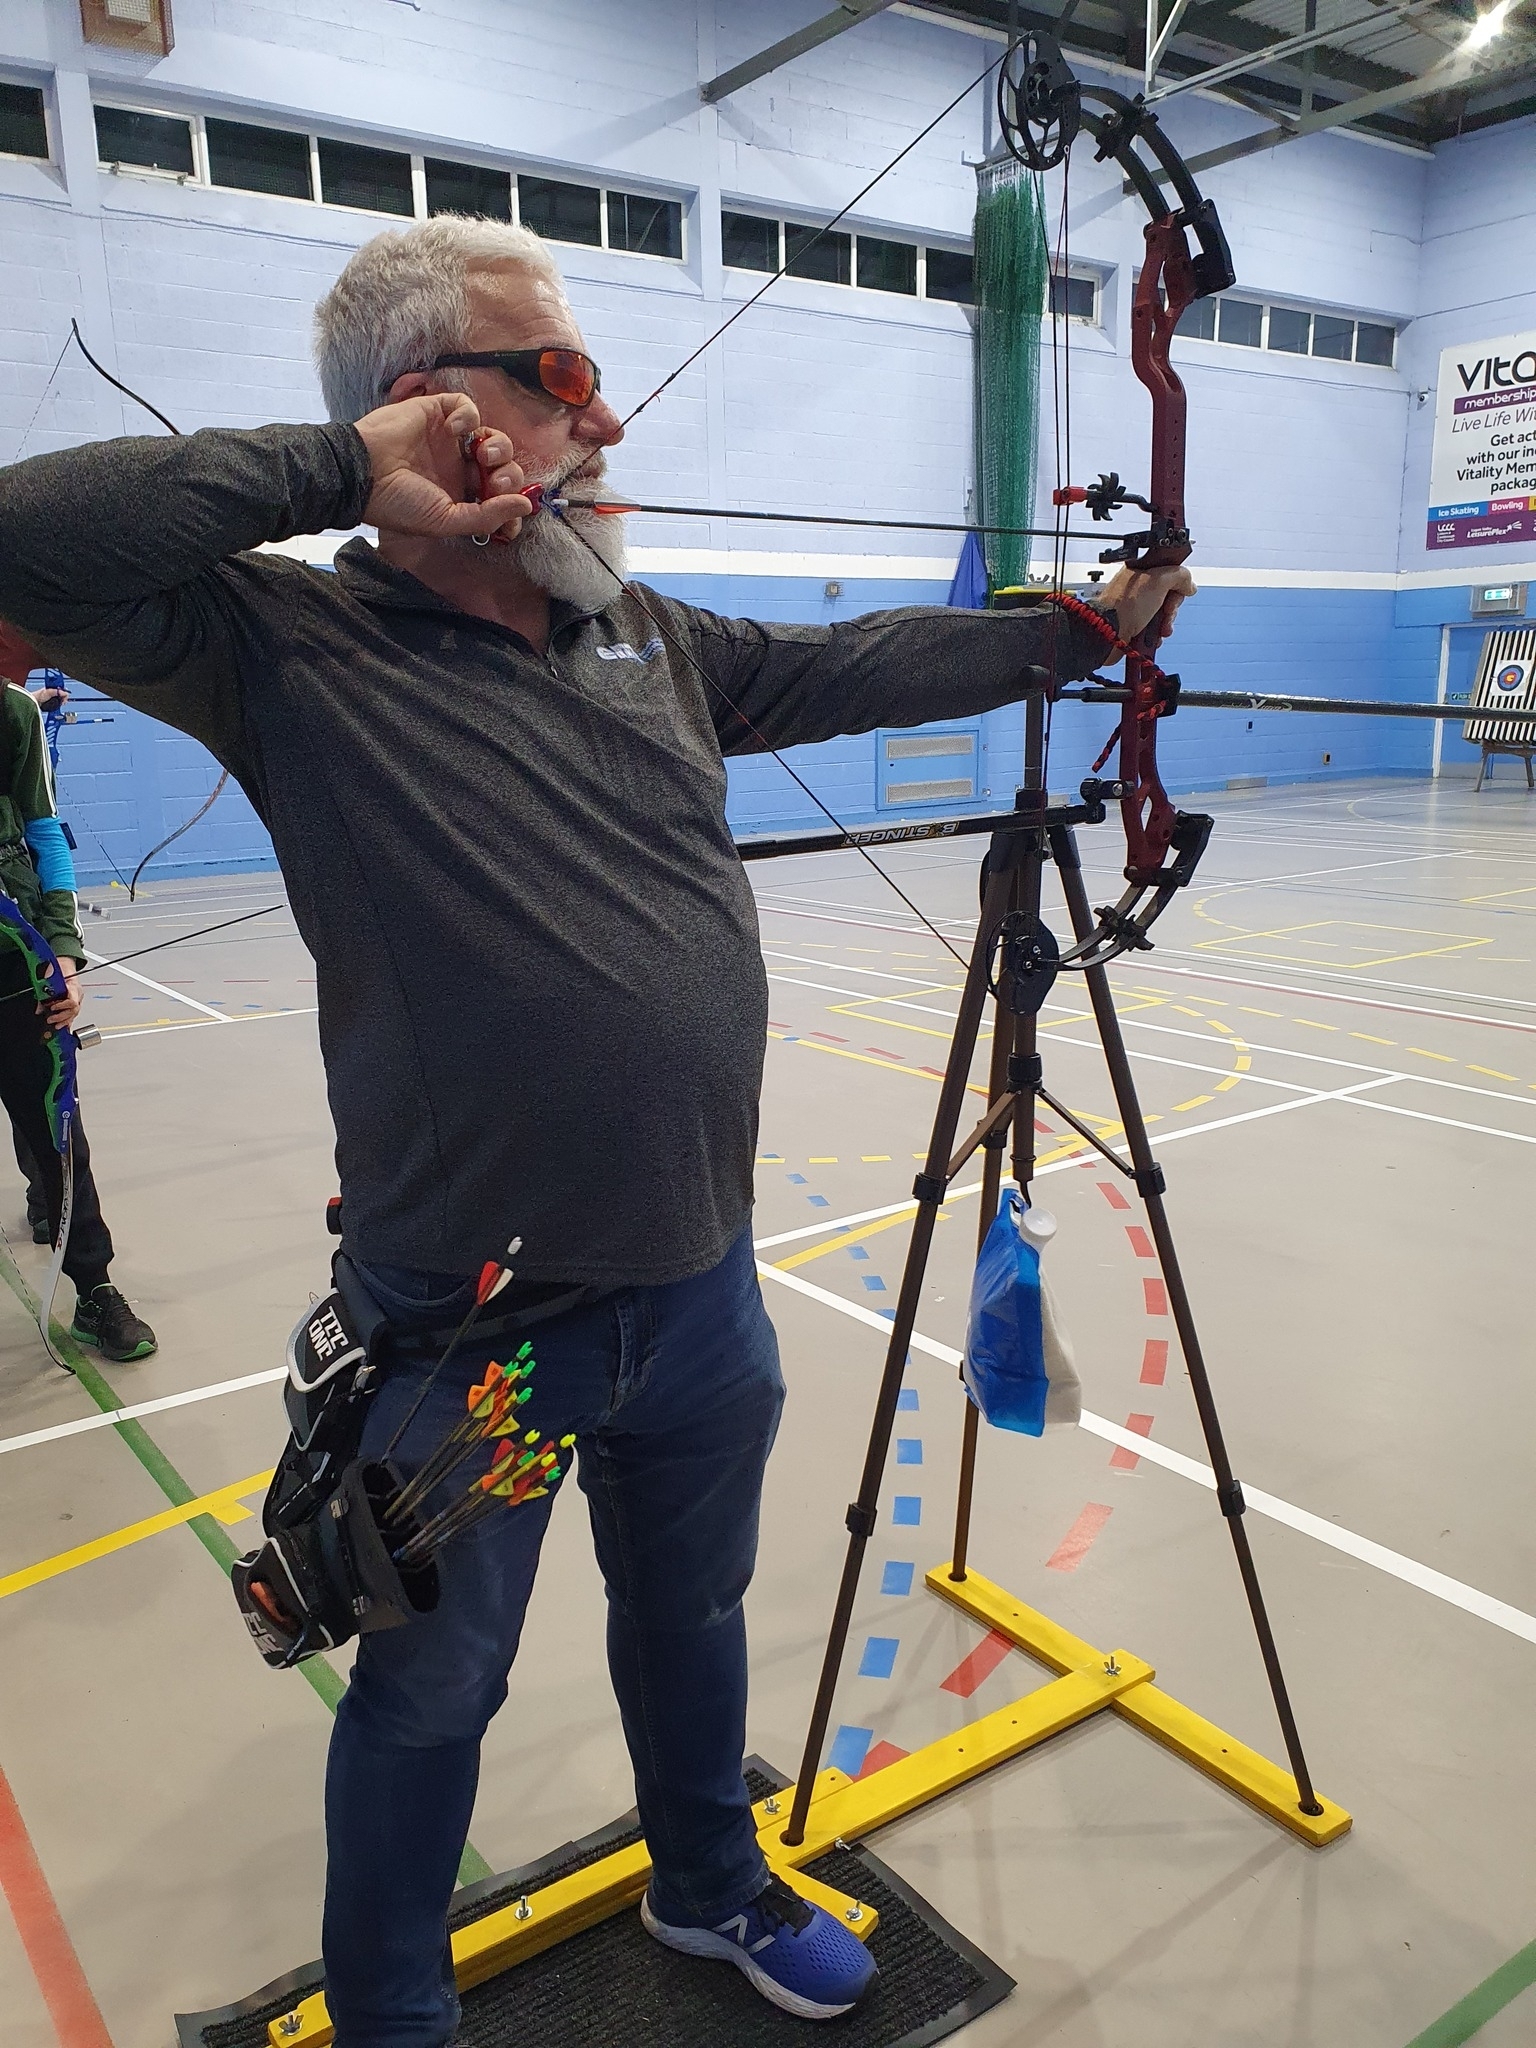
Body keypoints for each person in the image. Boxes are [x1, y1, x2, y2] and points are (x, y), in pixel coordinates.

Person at [0, 218, 1192, 2040]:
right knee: (428, 1696)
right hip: (475, 1323)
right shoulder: (275, 637)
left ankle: (708, 1885)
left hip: (701, 1291)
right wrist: (336, 470)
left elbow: (860, 661)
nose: (607, 421)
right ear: (426, 409)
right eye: (560, 378)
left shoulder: (644, 631)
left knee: (692, 1614)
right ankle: (396, 2017)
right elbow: (17, 538)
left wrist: (1077, 627)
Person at [0, 627, 157, 1363]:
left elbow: (43, 833)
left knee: (57, 1134)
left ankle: (92, 1287)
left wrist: (61, 950)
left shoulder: (13, 714)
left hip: (16, 965)